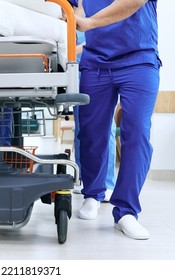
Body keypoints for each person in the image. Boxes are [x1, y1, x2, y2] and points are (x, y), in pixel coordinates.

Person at [69, 0, 161, 240]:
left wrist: (89, 22)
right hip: (95, 63)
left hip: (139, 60)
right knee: (91, 133)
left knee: (137, 133)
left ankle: (126, 211)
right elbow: (67, 9)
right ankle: (93, 194)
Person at [72, 17, 116, 203]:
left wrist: (76, 49)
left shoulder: (100, 11)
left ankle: (107, 183)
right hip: (76, 69)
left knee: (106, 127)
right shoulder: (66, 12)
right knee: (82, 125)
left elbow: (106, 36)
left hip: (99, 66)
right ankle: (87, 179)